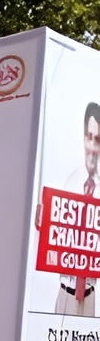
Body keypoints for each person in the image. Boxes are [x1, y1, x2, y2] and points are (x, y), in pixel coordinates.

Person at [56, 102, 100, 316]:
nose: (93, 146)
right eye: (90, 137)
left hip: (90, 297)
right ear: (84, 138)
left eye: (98, 140)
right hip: (65, 293)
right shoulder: (68, 183)